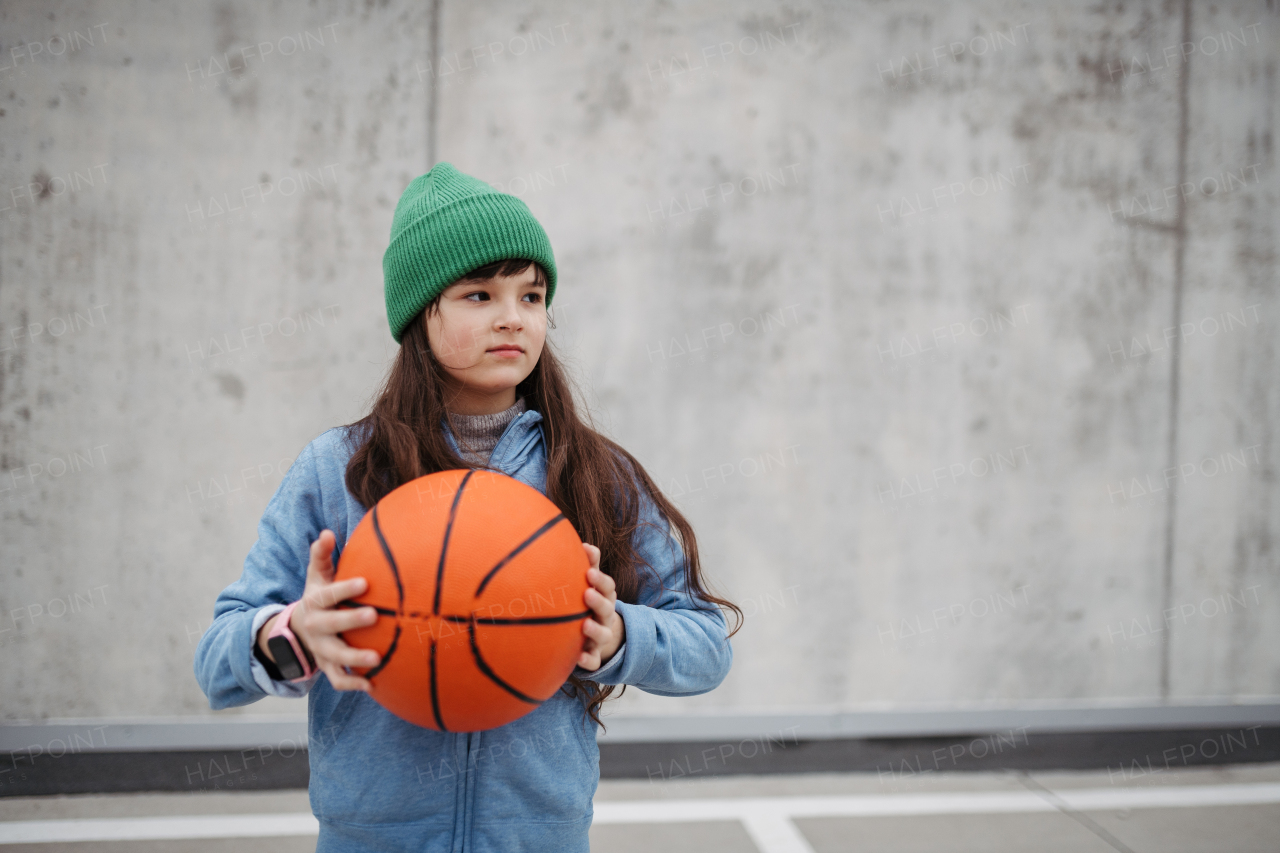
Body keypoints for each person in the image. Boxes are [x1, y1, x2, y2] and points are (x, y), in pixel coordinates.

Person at [193, 162, 742, 852]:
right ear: (422, 314)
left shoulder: (593, 471)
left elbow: (705, 647)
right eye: (479, 294)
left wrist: (620, 637)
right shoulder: (339, 471)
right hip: (374, 837)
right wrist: (295, 634)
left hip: (537, 835)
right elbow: (216, 663)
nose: (513, 317)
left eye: (532, 295)